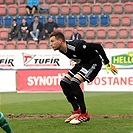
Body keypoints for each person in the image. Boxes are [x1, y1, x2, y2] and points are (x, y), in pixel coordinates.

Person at [49, 32, 118, 125]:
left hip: (93, 63)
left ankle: (84, 114)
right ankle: (76, 111)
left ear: (60, 41)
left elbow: (97, 46)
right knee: (64, 83)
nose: (51, 44)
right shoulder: (61, 49)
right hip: (82, 63)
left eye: (52, 41)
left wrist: (106, 63)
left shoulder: (77, 46)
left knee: (74, 83)